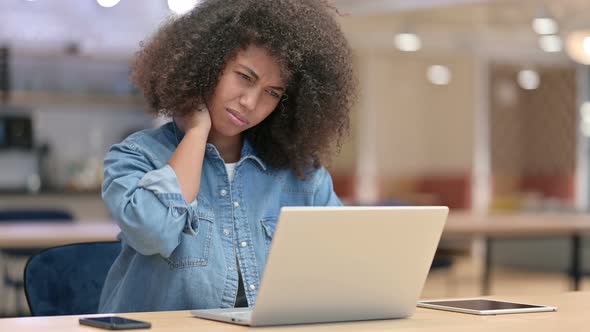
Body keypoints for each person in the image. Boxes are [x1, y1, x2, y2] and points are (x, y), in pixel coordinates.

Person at [99, 0, 356, 313]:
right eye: (245, 77)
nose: (250, 102)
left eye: (272, 92)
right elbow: (152, 232)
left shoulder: (303, 174)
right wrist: (196, 131)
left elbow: (344, 268)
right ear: (208, 63)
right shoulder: (136, 156)